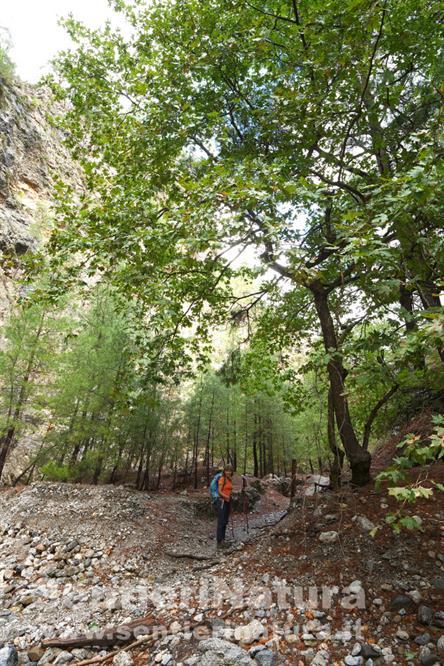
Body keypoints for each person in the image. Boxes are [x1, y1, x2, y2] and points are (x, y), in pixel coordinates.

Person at [216, 465, 233, 547]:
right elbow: (219, 492)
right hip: (222, 501)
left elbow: (228, 490)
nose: (228, 472)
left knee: (225, 521)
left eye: (230, 471)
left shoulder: (229, 480)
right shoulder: (222, 479)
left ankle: (223, 538)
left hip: (227, 502)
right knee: (221, 521)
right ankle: (219, 540)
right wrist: (226, 497)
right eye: (227, 470)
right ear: (224, 471)